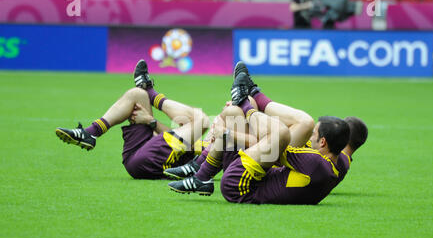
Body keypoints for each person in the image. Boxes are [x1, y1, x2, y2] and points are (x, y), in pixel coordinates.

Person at [168, 62, 356, 205]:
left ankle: (245, 102)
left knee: (279, 132)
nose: (310, 137)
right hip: (261, 171)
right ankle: (201, 175)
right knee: (300, 122)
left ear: (322, 142)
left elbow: (273, 143)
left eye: (313, 135)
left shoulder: (315, 162)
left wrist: (228, 134)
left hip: (239, 185)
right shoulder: (339, 162)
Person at [55, 60, 209, 179]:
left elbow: (178, 141)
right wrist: (151, 122)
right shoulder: (209, 142)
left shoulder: (211, 149)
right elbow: (175, 138)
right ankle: (91, 133)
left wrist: (150, 121)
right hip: (136, 155)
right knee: (137, 94)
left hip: (151, 161)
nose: (217, 124)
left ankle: (151, 93)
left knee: (201, 120)